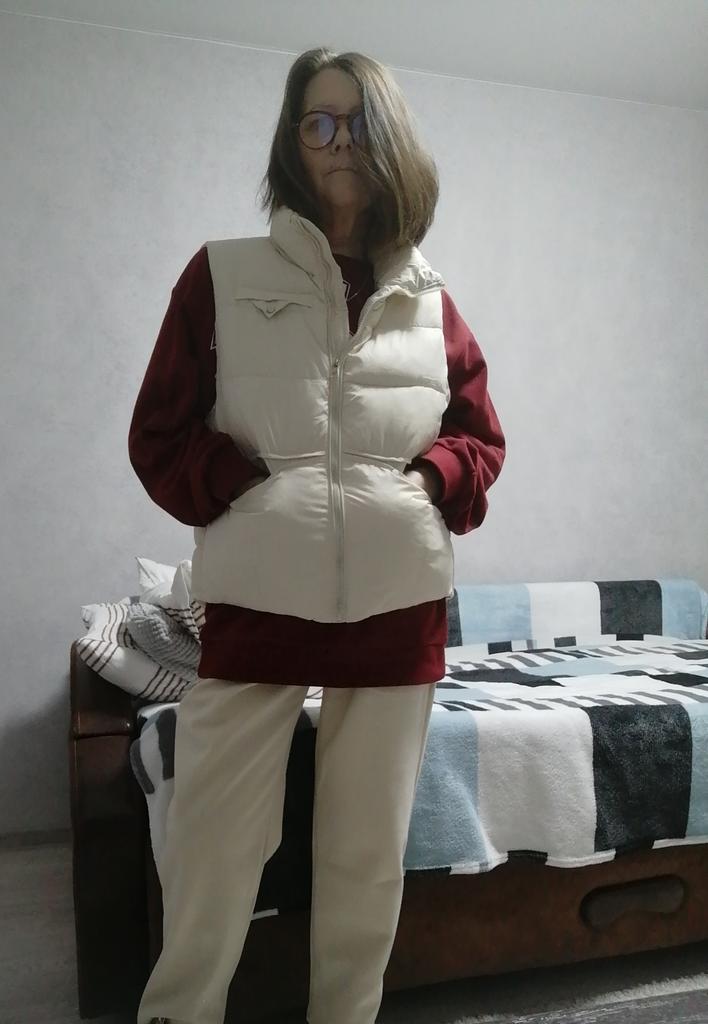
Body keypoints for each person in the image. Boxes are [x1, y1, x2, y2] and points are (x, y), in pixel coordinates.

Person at [128, 46, 505, 1024]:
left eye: (357, 121)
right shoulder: (221, 274)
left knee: (365, 858)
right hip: (257, 604)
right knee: (212, 847)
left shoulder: (431, 300)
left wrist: (428, 483)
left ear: (391, 141)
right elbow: (159, 434)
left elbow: (480, 438)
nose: (338, 141)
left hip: (398, 608)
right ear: (293, 142)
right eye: (317, 121)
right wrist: (241, 488)